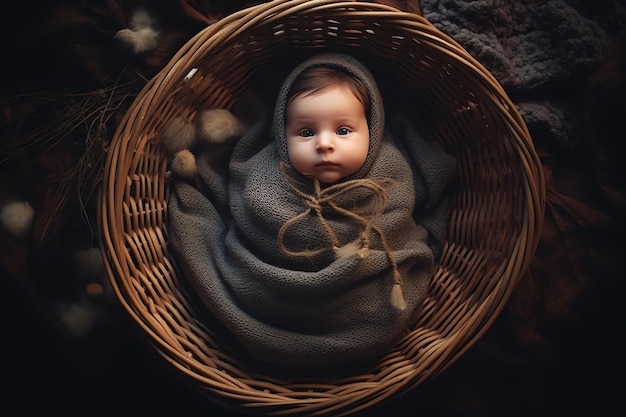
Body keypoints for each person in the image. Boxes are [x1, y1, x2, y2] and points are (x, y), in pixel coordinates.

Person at [168, 53, 456, 377]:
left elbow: (402, 228)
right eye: (306, 133)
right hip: (271, 298)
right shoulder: (263, 174)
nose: (324, 144)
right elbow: (242, 213)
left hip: (361, 303)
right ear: (281, 134)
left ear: (372, 131)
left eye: (344, 130)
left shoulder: (390, 173)